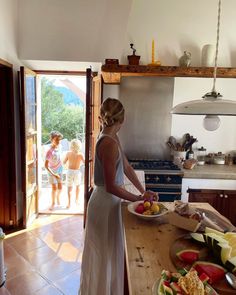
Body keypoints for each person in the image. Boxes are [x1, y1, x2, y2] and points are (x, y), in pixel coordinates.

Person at [79, 98, 158, 295]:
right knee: (104, 253)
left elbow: (127, 167)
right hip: (104, 204)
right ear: (122, 119)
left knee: (111, 252)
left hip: (110, 203)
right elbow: (112, 186)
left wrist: (142, 191)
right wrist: (138, 200)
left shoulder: (112, 136)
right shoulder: (108, 143)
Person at [63, 139, 85, 208]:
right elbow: (85, 163)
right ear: (79, 146)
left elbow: (64, 162)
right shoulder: (80, 154)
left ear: (71, 146)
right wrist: (80, 163)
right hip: (77, 172)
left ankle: (69, 203)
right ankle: (76, 200)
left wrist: (67, 166)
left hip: (70, 171)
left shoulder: (68, 153)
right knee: (78, 186)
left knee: (69, 187)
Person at [45, 131, 63, 210]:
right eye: (56, 140)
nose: (58, 141)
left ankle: (58, 198)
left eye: (59, 140)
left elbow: (59, 158)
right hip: (51, 171)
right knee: (54, 188)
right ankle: (53, 203)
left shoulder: (59, 147)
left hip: (59, 169)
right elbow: (46, 166)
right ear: (52, 139)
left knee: (60, 187)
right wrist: (53, 174)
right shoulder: (49, 152)